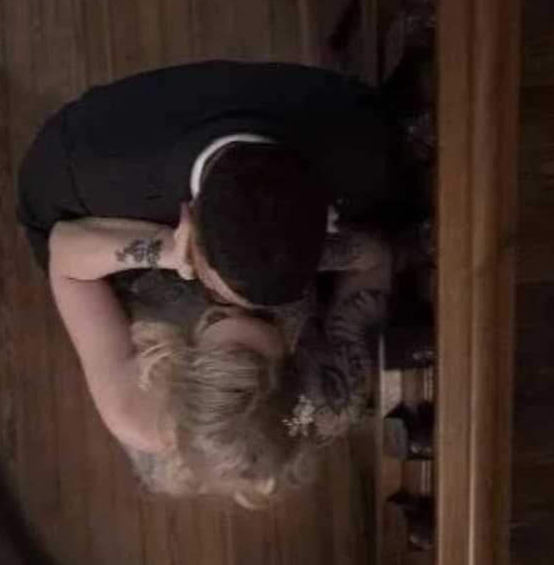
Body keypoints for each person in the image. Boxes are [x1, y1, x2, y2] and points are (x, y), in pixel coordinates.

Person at [46, 214, 392, 507]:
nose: (235, 302)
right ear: (295, 364)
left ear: (185, 361)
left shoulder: (134, 411)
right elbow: (376, 257)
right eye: (264, 320)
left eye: (215, 320)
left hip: (134, 246)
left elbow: (63, 250)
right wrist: (288, 254)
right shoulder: (335, 393)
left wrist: (171, 252)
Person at [17, 61, 403, 307]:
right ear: (187, 217)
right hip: (112, 154)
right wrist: (160, 252)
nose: (217, 299)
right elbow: (42, 231)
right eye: (212, 285)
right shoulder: (77, 168)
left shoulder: (364, 147)